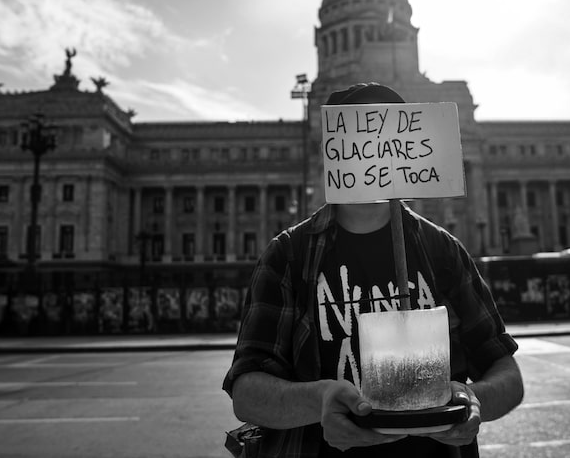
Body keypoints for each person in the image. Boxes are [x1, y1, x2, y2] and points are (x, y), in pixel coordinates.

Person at [223, 83, 523, 457]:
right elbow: (247, 391)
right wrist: (320, 400)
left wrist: (471, 398)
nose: (376, 151)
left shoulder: (442, 250)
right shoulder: (288, 255)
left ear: (409, 151)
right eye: (360, 134)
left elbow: (506, 373)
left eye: (389, 134)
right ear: (329, 150)